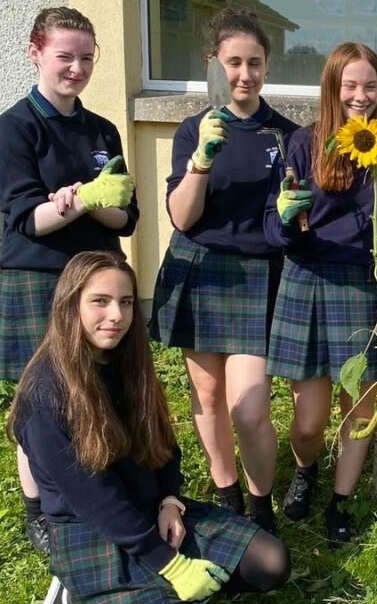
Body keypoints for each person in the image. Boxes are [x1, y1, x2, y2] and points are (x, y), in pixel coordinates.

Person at [11, 251, 290, 604]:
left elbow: (162, 443)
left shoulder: (128, 360)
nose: (117, 315)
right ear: (71, 305)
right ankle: (83, 594)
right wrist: (170, 564)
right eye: (100, 301)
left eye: (125, 302)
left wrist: (170, 500)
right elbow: (96, 501)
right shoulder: (45, 392)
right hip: (93, 533)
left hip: (151, 510)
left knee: (273, 564)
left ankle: (154, 593)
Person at [0, 6, 138, 556]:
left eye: (85, 58)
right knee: (41, 405)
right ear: (36, 53)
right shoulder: (14, 128)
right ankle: (42, 513)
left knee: (102, 392)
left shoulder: (102, 130)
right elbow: (28, 218)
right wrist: (83, 202)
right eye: (64, 57)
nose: (76, 68)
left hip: (97, 281)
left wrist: (91, 202)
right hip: (41, 281)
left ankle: (107, 492)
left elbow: (127, 217)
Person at [265, 42, 377, 546]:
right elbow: (276, 228)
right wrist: (289, 224)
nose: (361, 96)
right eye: (350, 85)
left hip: (364, 286)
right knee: (309, 421)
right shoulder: (303, 145)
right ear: (332, 88)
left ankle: (340, 500)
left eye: (370, 85)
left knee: (359, 409)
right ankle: (306, 468)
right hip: (307, 281)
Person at [151, 9, 299, 533]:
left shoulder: (286, 135)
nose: (245, 74)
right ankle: (227, 496)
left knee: (250, 408)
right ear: (214, 63)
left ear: (266, 66)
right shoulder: (194, 129)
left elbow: (295, 220)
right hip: (201, 268)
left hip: (260, 275)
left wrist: (292, 211)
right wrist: (201, 161)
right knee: (207, 396)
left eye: (254, 63)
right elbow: (182, 217)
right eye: (233, 62)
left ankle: (262, 505)